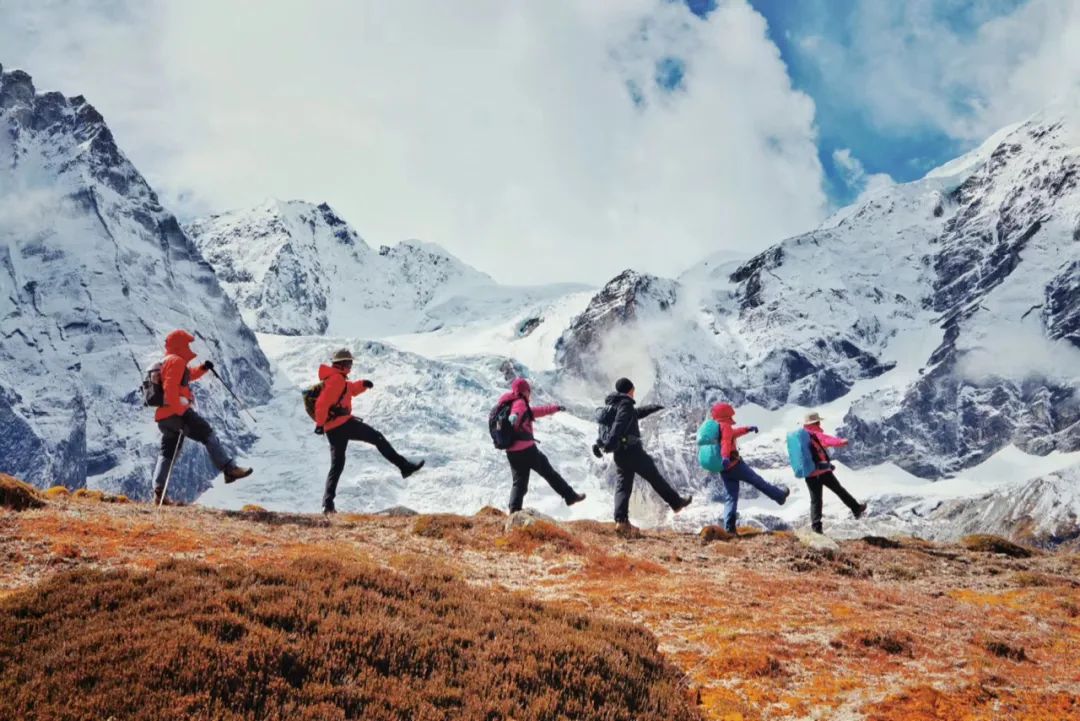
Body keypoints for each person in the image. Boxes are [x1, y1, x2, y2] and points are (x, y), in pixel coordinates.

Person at [314, 348, 424, 514]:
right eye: (349, 363)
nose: (351, 366)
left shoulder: (337, 379)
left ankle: (327, 504)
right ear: (342, 364)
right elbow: (322, 403)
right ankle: (404, 467)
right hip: (343, 424)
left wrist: (362, 385)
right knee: (377, 438)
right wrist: (319, 423)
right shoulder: (336, 379)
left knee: (337, 466)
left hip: (333, 428)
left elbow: (348, 389)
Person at [151, 330, 252, 505]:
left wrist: (203, 368)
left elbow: (188, 376)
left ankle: (159, 493)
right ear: (180, 345)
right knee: (207, 434)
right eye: (187, 344)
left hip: (164, 418)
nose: (189, 347)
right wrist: (181, 411)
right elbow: (170, 388)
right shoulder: (176, 361)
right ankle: (229, 469)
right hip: (177, 413)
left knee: (167, 453)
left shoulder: (168, 361)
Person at [599, 378, 692, 536]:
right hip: (633, 451)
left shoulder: (612, 405)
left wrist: (653, 408)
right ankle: (676, 503)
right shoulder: (626, 403)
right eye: (633, 389)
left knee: (623, 486)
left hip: (620, 454)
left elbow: (634, 415)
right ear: (630, 390)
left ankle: (621, 522)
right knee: (654, 477)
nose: (634, 392)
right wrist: (611, 442)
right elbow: (620, 423)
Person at [499, 377, 586, 513]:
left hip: (512, 452)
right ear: (524, 391)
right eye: (528, 391)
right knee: (549, 473)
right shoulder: (520, 402)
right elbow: (518, 411)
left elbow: (539, 411)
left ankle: (514, 511)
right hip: (527, 450)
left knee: (519, 483)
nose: (530, 394)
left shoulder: (509, 403)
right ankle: (570, 496)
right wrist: (514, 416)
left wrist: (555, 408)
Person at [711, 402, 789, 534]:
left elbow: (731, 435)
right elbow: (725, 442)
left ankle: (729, 529)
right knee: (757, 481)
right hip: (735, 465)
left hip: (724, 469)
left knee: (730, 497)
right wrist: (725, 456)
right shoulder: (725, 426)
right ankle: (779, 496)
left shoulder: (717, 427)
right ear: (726, 414)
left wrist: (747, 429)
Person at [802, 411, 866, 533]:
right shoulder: (815, 434)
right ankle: (856, 508)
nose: (820, 424)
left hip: (809, 473)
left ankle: (816, 528)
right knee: (839, 490)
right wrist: (842, 442)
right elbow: (828, 440)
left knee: (815, 500)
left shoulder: (802, 437)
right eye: (818, 422)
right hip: (822, 471)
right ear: (815, 423)